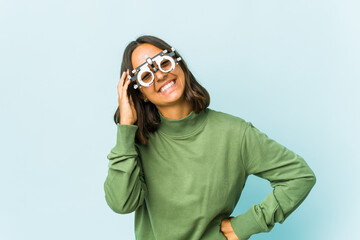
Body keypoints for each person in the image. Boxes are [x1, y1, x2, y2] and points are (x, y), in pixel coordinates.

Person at [103, 35, 317, 240]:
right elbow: (122, 204)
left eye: (163, 63)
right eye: (146, 76)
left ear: (178, 63)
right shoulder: (136, 144)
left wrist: (247, 224)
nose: (159, 76)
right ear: (139, 93)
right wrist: (125, 129)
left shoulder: (235, 133)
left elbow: (299, 176)